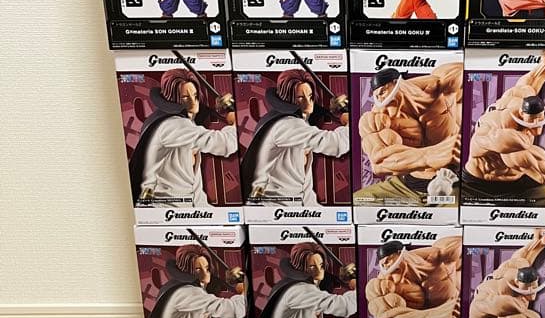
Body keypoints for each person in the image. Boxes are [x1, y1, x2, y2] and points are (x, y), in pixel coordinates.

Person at [462, 52, 545, 207]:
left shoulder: (519, 96)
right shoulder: (503, 135)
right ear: (521, 114)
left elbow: (531, 80)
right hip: (475, 185)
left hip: (519, 184)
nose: (537, 128)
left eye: (540, 120)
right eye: (532, 122)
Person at [129, 67, 237, 209]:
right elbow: (225, 144)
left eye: (195, 95)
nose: (193, 102)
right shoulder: (172, 124)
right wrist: (235, 124)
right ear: (173, 99)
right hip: (165, 208)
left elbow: (198, 117)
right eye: (185, 97)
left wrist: (222, 109)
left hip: (193, 205)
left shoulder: (183, 122)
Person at [357, 63, 462, 208]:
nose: (381, 98)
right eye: (377, 95)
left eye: (383, 92)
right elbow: (380, 163)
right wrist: (429, 156)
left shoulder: (442, 85)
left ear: (396, 83)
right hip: (406, 186)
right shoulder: (377, 117)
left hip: (455, 182)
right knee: (358, 201)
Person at [242, 67, 348, 209]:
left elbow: (304, 192)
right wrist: (351, 122)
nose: (308, 105)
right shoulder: (286, 124)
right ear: (288, 99)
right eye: (300, 98)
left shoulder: (295, 121)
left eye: (310, 96)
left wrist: (334, 109)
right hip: (273, 207)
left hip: (300, 204)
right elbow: (336, 144)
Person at [147, 244, 246, 318]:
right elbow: (234, 311)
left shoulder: (179, 287)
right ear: (187, 271)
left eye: (207, 268)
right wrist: (244, 291)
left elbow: (212, 284)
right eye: (198, 269)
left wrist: (234, 280)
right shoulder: (187, 292)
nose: (205, 274)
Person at [464, 231, 545, 318]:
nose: (532, 297)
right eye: (527, 291)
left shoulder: (518, 268)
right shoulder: (490, 295)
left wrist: (541, 241)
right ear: (516, 283)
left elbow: (526, 254)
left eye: (534, 289)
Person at [253, 242, 356, 318]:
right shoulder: (300, 289)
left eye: (321, 265)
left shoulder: (305, 286)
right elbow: (345, 307)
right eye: (312, 267)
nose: (319, 271)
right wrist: (358, 285)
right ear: (300, 267)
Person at [366, 235, 461, 318]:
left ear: (400, 254)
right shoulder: (383, 283)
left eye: (388, 260)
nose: (386, 265)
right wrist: (432, 316)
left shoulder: (442, 253)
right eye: (383, 263)